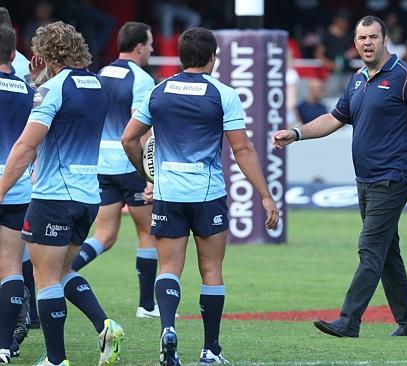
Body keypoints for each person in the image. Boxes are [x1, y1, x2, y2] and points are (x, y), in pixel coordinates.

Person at [273, 15, 407, 338]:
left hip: (395, 176)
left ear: (386, 40)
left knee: (369, 247)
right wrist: (297, 133)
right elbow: (333, 118)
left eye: (373, 37)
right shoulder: (356, 80)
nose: (367, 43)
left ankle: (349, 320)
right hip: (365, 179)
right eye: (361, 38)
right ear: (355, 43)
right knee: (386, 250)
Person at [121, 27, 279, 365]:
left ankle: (167, 329)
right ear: (212, 57)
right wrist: (265, 195)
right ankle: (210, 350)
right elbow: (242, 149)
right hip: (207, 195)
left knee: (169, 267)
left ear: (180, 57)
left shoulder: (159, 91)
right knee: (211, 269)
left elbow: (128, 140)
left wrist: (147, 174)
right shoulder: (224, 94)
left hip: (168, 193)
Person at [0, 21, 124, 366]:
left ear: (45, 54)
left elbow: (26, 145)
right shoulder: (97, 84)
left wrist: (1, 190)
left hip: (54, 195)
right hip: (88, 196)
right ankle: (106, 324)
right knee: (64, 271)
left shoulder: (53, 89)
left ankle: (56, 359)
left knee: (45, 279)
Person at [68, 21, 160, 319]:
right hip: (129, 164)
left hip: (101, 165)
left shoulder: (101, 73)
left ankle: (63, 273)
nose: (153, 48)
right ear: (139, 47)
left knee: (105, 235)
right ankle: (147, 306)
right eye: (150, 43)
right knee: (148, 233)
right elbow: (140, 128)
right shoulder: (142, 79)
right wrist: (150, 172)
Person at [0, 7, 39, 335]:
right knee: (12, 267)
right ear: (14, 54)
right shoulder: (30, 93)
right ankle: (7, 340)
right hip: (18, 185)